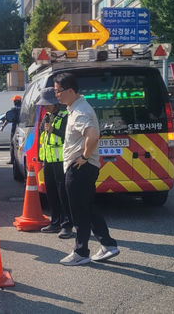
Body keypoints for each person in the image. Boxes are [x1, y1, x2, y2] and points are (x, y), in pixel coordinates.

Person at [53, 72, 120, 266]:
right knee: (88, 208)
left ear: (70, 91)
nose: (56, 95)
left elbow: (92, 135)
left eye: (58, 91)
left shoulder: (81, 111)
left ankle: (81, 252)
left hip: (80, 168)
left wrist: (83, 157)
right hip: (81, 167)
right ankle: (108, 245)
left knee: (79, 212)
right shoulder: (75, 108)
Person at [36, 87, 73, 239]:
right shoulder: (47, 116)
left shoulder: (65, 116)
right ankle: (55, 222)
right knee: (50, 192)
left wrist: (53, 130)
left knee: (63, 194)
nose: (44, 107)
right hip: (48, 161)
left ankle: (67, 225)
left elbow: (69, 137)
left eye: (47, 104)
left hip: (61, 161)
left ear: (55, 103)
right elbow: (43, 137)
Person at [0, 95, 21, 164]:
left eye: (14, 101)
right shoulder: (24, 109)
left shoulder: (13, 110)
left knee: (12, 144)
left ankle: (12, 160)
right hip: (23, 128)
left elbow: (7, 119)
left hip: (15, 128)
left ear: (15, 102)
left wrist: (2, 127)